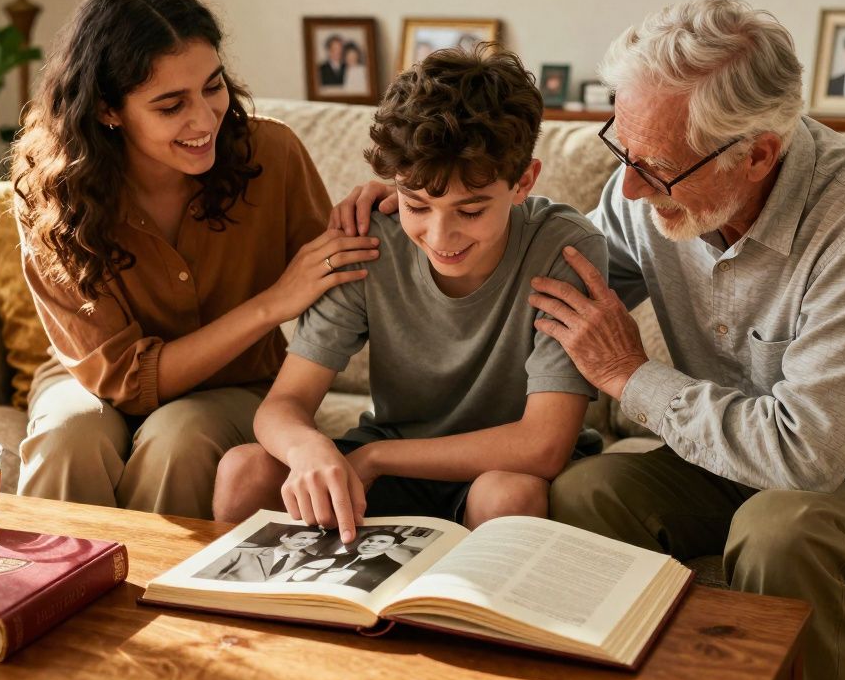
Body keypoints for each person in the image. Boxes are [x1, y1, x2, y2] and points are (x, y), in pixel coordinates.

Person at [329, 0, 845, 680]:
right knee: (582, 494)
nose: (630, 189)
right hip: (726, 466)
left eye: (656, 168)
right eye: (621, 147)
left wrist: (630, 377)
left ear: (759, 154)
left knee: (784, 534)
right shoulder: (646, 184)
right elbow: (541, 278)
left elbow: (807, 457)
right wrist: (412, 202)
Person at [9, 0, 380, 519]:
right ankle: (46, 593)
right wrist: (272, 304)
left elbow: (340, 277)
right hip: (92, 379)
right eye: (170, 105)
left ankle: (156, 599)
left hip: (237, 386)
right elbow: (123, 380)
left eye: (212, 86)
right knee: (68, 436)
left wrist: (409, 204)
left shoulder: (270, 155)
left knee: (178, 438)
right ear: (109, 109)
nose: (204, 120)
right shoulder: (51, 193)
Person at [212, 46, 607, 545]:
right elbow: (282, 405)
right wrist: (309, 450)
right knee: (243, 470)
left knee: (507, 497)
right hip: (394, 460)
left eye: (470, 211)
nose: (441, 237)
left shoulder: (564, 247)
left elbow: (542, 446)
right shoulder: (370, 238)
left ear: (524, 181)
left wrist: (374, 457)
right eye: (417, 205)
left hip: (501, 468)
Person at [280, 530, 404, 591]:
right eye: (369, 540)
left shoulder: (393, 568)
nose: (371, 544)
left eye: (382, 542)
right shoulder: (333, 557)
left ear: (392, 546)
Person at [194, 528, 324, 582]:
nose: (306, 542)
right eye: (302, 537)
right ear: (285, 538)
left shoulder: (309, 563)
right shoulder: (241, 552)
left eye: (312, 540)